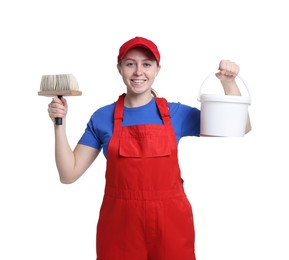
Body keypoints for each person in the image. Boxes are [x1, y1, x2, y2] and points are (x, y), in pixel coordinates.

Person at [48, 36, 252, 260]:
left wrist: (228, 82)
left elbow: (240, 126)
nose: (138, 72)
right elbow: (68, 174)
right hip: (120, 227)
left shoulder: (177, 114)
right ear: (119, 68)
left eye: (146, 64)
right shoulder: (102, 117)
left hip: (171, 225)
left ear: (157, 69)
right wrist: (60, 123)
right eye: (130, 63)